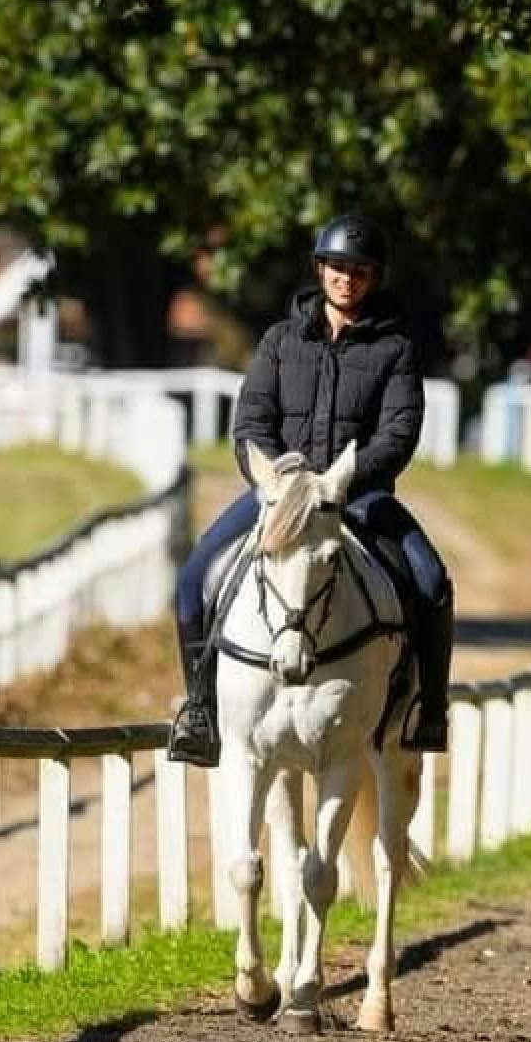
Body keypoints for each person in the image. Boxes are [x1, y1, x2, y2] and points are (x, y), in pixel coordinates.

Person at [166, 212, 454, 766]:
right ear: (321, 270)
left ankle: (429, 709)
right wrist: (280, 482)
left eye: (360, 271)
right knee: (193, 580)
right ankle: (201, 711)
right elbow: (251, 422)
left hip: (359, 495)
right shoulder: (279, 342)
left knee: (431, 581)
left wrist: (340, 480)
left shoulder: (395, 349)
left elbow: (398, 433)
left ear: (374, 278)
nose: (348, 279)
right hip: (279, 498)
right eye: (339, 268)